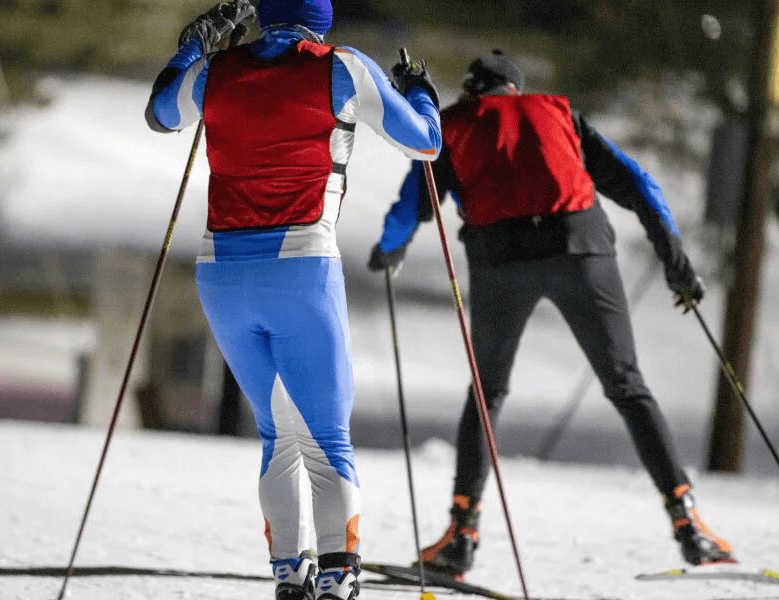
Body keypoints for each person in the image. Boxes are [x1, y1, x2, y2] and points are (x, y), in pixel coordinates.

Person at [368, 50, 735, 577]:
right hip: (580, 248)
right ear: (517, 90)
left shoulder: (453, 124)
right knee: (627, 385)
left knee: (487, 391)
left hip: (500, 261)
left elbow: (414, 204)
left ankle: (461, 535)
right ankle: (689, 524)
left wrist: (389, 250)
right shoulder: (560, 113)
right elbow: (637, 184)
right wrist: (676, 263)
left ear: (473, 90)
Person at [145, 2, 442, 599]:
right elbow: (427, 144)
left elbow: (159, 113)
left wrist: (195, 44)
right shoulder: (342, 67)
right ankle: (337, 578)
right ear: (322, 17)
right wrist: (421, 89)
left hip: (222, 272)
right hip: (301, 267)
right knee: (327, 439)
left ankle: (290, 573)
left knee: (278, 434)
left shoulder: (218, 70)